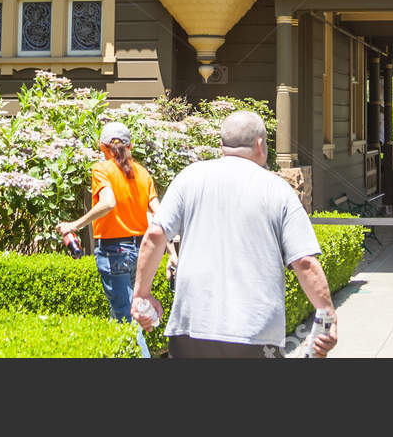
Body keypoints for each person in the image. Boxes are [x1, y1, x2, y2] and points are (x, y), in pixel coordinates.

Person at [131, 110, 337, 358]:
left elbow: (154, 235)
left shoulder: (189, 177)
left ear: (221, 146)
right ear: (260, 144)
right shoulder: (278, 189)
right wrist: (327, 314)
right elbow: (304, 261)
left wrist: (141, 295)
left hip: (190, 330)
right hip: (255, 334)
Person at [57, 121, 172, 321]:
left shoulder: (102, 169)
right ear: (130, 146)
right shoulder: (142, 173)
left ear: (102, 147)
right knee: (125, 312)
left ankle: (140, 353)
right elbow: (160, 215)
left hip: (113, 250)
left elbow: (108, 203)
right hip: (140, 250)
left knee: (125, 319)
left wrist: (74, 225)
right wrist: (172, 253)